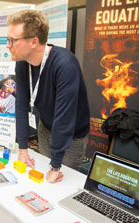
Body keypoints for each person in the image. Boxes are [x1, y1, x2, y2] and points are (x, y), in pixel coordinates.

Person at [7, 10, 90, 183]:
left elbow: (64, 118)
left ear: (33, 42)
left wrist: (55, 166)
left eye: (12, 40)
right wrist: (23, 149)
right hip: (45, 128)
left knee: (59, 184)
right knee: (42, 181)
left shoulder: (65, 65)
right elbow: (21, 106)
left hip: (71, 136)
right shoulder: (22, 64)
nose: (8, 45)